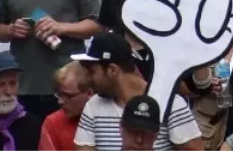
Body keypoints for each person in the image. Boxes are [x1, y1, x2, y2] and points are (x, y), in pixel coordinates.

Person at [71, 33, 203, 151]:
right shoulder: (93, 106)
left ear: (112, 70)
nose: (88, 79)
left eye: (92, 71)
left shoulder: (170, 103)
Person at [41, 63, 92, 151]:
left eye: (68, 96)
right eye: (59, 95)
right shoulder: (54, 122)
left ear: (90, 93)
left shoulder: (108, 118)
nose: (60, 101)